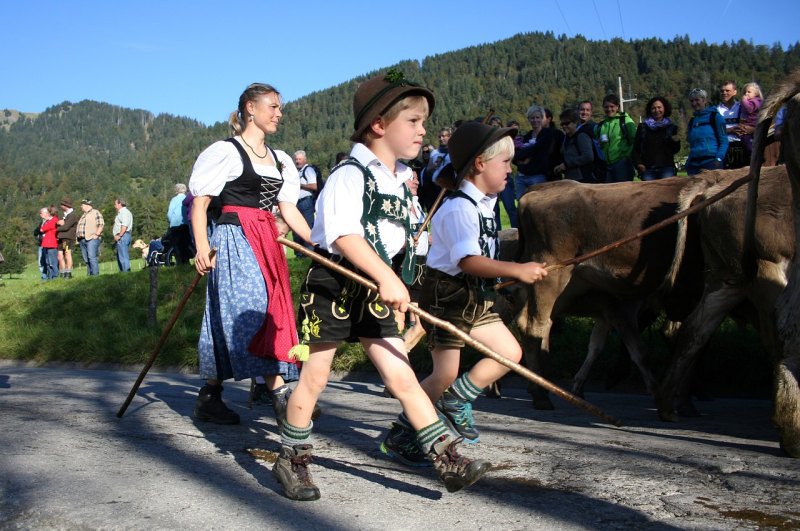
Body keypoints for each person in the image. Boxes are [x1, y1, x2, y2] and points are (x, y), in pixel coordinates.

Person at [273, 70, 490, 501]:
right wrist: (387, 276)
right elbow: (343, 235)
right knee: (315, 378)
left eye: (423, 122)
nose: (423, 130)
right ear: (379, 125)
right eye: (413, 121)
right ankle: (291, 457)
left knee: (403, 376)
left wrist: (410, 273)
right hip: (335, 284)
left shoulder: (401, 182)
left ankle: (446, 456)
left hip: (376, 289)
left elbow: (410, 241)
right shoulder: (349, 175)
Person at [395, 121, 547, 451]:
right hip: (447, 296)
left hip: (476, 295)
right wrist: (517, 270)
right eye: (504, 162)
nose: (511, 168)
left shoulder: (484, 204)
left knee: (510, 352)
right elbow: (467, 261)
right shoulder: (460, 208)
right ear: (480, 164)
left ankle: (455, 400)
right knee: (444, 373)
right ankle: (402, 433)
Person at [188, 82, 312, 427]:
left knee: (271, 309)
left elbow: (287, 207)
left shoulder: (282, 160)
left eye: (280, 107)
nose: (279, 113)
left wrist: (318, 241)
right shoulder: (225, 152)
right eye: (272, 106)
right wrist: (201, 247)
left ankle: (211, 396)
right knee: (252, 309)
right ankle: (278, 393)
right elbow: (200, 204)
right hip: (234, 238)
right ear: (250, 109)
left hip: (267, 239)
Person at [632, 96, 681, 180]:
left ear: (665, 108)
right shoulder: (643, 127)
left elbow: (675, 150)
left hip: (667, 169)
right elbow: (635, 149)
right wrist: (639, 164)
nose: (657, 110)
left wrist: (676, 142)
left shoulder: (671, 127)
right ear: (650, 110)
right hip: (648, 170)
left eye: (659, 107)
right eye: (653, 108)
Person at [685, 88, 729, 176]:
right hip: (694, 164)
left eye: (697, 100)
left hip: (711, 162)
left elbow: (724, 141)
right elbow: (692, 143)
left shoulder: (715, 117)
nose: (694, 103)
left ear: (705, 100)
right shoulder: (692, 121)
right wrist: (688, 162)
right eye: (692, 101)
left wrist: (719, 159)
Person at [513, 105, 554, 197]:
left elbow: (537, 149)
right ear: (529, 119)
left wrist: (523, 155)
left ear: (542, 118)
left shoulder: (547, 134)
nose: (535, 120)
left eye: (537, 117)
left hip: (537, 176)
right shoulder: (526, 136)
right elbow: (515, 156)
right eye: (532, 118)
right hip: (521, 176)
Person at [595, 94, 637, 182]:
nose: (609, 109)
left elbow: (635, 140)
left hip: (622, 165)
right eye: (606, 107)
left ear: (617, 106)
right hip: (607, 166)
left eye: (612, 106)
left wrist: (626, 157)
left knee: (624, 194)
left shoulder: (625, 121)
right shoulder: (600, 126)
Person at [553, 109, 596, 182]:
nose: (564, 126)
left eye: (567, 123)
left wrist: (566, 165)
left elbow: (588, 156)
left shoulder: (581, 136)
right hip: (571, 179)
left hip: (583, 179)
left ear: (575, 122)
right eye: (562, 124)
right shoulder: (566, 138)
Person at [717, 80, 747, 169]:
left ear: (735, 92)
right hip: (723, 148)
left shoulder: (742, 107)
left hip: (742, 147)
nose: (724, 93)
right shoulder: (716, 110)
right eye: (722, 91)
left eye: (727, 91)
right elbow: (713, 130)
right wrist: (730, 130)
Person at [292, 150, 317, 250]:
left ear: (305, 160)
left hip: (306, 202)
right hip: (297, 203)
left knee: (307, 227)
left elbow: (314, 186)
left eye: (300, 159)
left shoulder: (308, 170)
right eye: (296, 159)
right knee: (296, 227)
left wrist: (300, 185)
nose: (298, 161)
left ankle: (310, 252)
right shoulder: (296, 172)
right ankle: (299, 254)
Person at [76, 199, 104, 276]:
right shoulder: (83, 215)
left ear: (87, 205)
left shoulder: (95, 212)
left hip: (91, 238)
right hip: (82, 239)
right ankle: (89, 274)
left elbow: (101, 224)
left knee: (92, 257)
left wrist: (97, 234)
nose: (81, 207)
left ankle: (95, 275)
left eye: (82, 205)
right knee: (86, 259)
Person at [166, 184, 192, 264]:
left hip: (175, 225)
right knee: (186, 244)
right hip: (186, 224)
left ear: (176, 190)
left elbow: (169, 214)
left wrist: (171, 222)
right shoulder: (187, 198)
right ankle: (187, 262)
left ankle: (179, 262)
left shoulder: (174, 200)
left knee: (176, 245)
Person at [56, 196, 79, 279]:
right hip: (62, 237)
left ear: (65, 205)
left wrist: (55, 228)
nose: (61, 206)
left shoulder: (72, 215)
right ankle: (63, 272)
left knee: (67, 253)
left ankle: (68, 272)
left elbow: (66, 227)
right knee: (61, 255)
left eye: (62, 205)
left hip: (67, 238)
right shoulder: (65, 215)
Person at [738, 82, 763, 156]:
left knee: (748, 139)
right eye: (745, 92)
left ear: (756, 93)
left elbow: (749, 109)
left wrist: (744, 100)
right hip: (746, 125)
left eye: (749, 92)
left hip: (753, 124)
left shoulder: (756, 101)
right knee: (745, 139)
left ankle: (754, 153)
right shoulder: (748, 102)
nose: (746, 94)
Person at [112, 197, 133, 272]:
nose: (114, 206)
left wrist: (119, 235)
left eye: (115, 204)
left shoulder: (124, 212)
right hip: (123, 236)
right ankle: (123, 271)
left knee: (123, 256)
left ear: (119, 204)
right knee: (121, 256)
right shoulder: (122, 213)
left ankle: (126, 272)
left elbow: (124, 226)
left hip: (123, 236)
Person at [39, 206, 59, 280]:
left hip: (51, 244)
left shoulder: (54, 220)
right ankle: (51, 276)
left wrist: (43, 228)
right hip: (46, 244)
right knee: (47, 262)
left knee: (52, 262)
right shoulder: (49, 221)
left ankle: (55, 276)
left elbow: (42, 229)